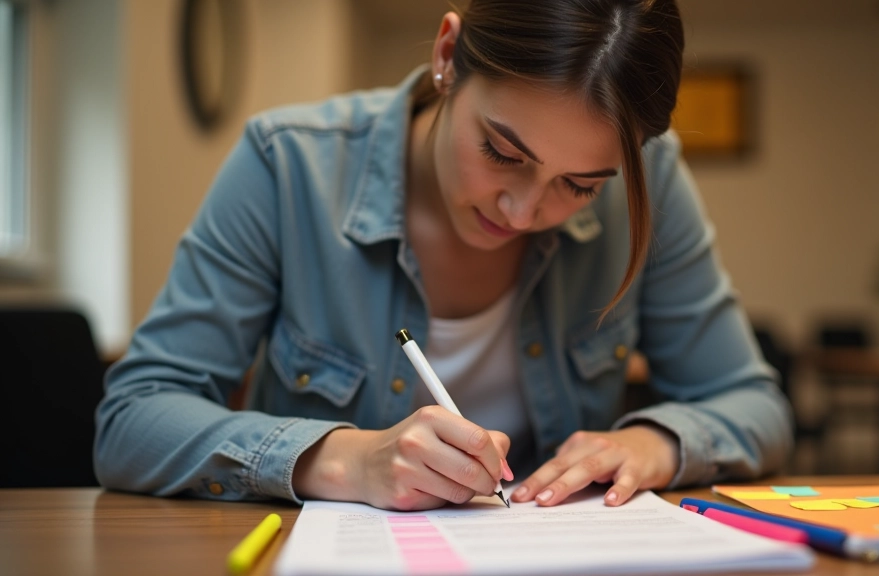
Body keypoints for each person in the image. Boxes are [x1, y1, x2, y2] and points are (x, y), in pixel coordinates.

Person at [95, 0, 793, 511]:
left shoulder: (650, 183)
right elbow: (133, 419)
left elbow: (754, 405)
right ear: (447, 56)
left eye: (580, 186)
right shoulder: (288, 167)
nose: (521, 212)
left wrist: (654, 445)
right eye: (502, 152)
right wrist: (346, 461)